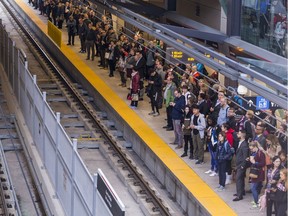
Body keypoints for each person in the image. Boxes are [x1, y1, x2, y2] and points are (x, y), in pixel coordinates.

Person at [248, 141, 266, 209]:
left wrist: (255, 162)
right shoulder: (254, 153)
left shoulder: (260, 153)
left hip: (258, 173)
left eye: (252, 148)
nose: (251, 150)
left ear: (255, 147)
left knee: (253, 188)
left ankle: (256, 202)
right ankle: (256, 200)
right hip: (255, 172)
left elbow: (263, 163)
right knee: (255, 187)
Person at [233, 130, 249, 201]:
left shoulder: (244, 145)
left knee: (238, 179)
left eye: (239, 133)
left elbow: (245, 156)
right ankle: (241, 191)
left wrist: (243, 165)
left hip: (241, 165)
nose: (237, 134)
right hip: (239, 164)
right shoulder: (240, 143)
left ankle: (239, 195)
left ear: (242, 135)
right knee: (241, 178)